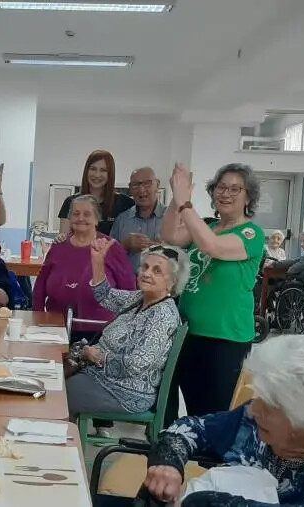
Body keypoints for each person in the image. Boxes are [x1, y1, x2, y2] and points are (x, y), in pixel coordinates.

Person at [143, 333, 304, 506]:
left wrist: (205, 502)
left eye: (270, 405)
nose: (253, 410)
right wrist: (168, 462)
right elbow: (190, 428)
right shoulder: (252, 422)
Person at [161, 162, 264, 421]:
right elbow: (170, 236)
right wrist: (177, 199)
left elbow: (212, 247)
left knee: (216, 413)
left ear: (248, 197)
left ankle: (213, 462)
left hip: (225, 338)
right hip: (188, 333)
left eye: (235, 189)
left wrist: (186, 204)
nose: (225, 194)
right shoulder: (206, 224)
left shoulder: (252, 233)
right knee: (194, 408)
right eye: (221, 187)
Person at [66, 239, 187, 417]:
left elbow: (136, 365)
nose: (146, 273)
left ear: (172, 282)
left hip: (125, 393)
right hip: (101, 378)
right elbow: (104, 295)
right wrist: (98, 261)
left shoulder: (163, 315)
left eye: (157, 271)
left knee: (58, 394)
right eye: (145, 267)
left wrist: (98, 358)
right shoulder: (139, 298)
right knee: (54, 382)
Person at [34, 195, 136, 338]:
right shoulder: (58, 247)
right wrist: (37, 319)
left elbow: (130, 292)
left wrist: (124, 330)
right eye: (76, 213)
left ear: (97, 219)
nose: (81, 218)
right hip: (55, 329)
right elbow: (39, 287)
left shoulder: (111, 247)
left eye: (87, 214)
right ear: (70, 218)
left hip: (100, 333)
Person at [58, 150, 135, 238]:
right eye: (93, 169)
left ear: (110, 174)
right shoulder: (70, 202)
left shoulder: (125, 203)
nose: (97, 175)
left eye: (103, 170)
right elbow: (63, 240)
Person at [110, 166, 166, 272]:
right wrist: (124, 245)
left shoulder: (173, 217)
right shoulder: (122, 220)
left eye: (147, 183)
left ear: (157, 185)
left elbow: (184, 258)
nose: (141, 190)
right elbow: (107, 257)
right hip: (126, 286)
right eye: (135, 185)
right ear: (130, 189)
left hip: (162, 287)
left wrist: (164, 249)